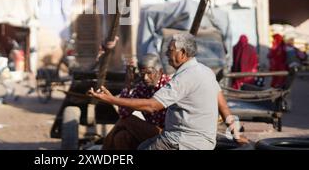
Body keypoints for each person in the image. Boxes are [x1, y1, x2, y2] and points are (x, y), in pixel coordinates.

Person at [89, 32, 247, 150]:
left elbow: (152, 106)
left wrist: (111, 100)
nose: (166, 54)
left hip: (181, 141)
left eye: (170, 50)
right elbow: (224, 107)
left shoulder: (183, 78)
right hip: (199, 141)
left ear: (183, 53)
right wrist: (236, 135)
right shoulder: (206, 71)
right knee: (123, 138)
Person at [102, 54, 171, 150]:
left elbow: (125, 118)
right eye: (142, 74)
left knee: (127, 120)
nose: (145, 78)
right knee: (122, 136)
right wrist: (127, 86)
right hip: (151, 134)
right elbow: (124, 113)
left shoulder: (168, 86)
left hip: (167, 136)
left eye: (149, 73)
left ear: (160, 72)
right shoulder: (142, 87)